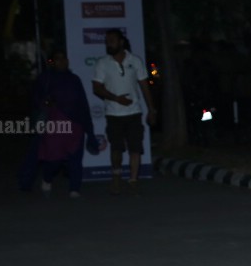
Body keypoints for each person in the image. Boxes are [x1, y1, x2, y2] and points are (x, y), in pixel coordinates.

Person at [21, 50, 98, 197]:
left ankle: (74, 188)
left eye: (64, 59)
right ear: (52, 62)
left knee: (75, 157)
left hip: (75, 124)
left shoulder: (74, 79)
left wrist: (89, 129)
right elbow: (36, 100)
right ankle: (47, 178)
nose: (62, 62)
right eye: (58, 59)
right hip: (55, 124)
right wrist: (46, 102)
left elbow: (83, 104)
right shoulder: (45, 78)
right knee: (53, 158)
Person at [92, 29, 156, 194]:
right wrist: (116, 98)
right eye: (107, 41)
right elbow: (97, 88)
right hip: (114, 113)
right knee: (116, 148)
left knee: (135, 147)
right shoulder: (102, 63)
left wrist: (151, 108)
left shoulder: (135, 61)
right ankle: (116, 177)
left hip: (134, 112)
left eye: (112, 40)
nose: (109, 43)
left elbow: (144, 86)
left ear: (121, 42)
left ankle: (134, 179)